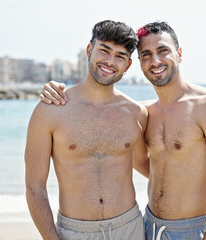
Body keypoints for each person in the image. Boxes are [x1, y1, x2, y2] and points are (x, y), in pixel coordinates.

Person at [41, 21, 206, 240]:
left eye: (163, 51)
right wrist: (56, 92)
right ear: (138, 64)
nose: (155, 61)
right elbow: (142, 162)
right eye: (146, 54)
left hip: (191, 231)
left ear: (179, 54)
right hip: (147, 228)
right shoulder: (142, 112)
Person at [25, 20, 148, 240]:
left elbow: (151, 168)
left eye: (120, 56)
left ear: (128, 65)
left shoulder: (136, 113)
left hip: (129, 227)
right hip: (75, 232)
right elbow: (35, 187)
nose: (110, 61)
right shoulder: (51, 110)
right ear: (89, 50)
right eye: (104, 50)